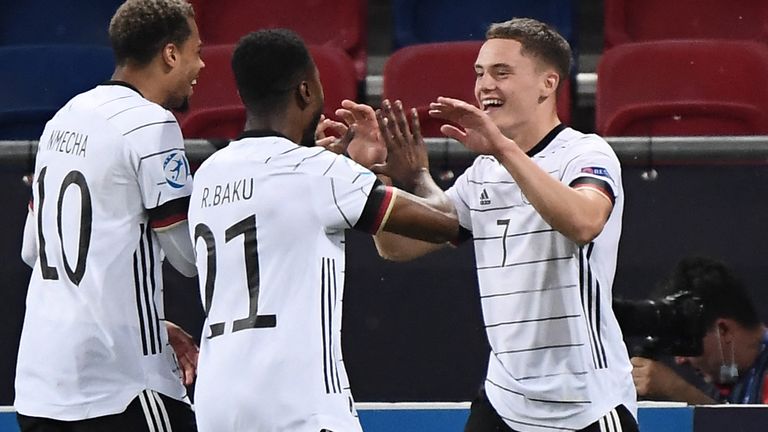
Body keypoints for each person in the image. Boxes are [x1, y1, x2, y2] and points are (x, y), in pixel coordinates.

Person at [343, 17, 638, 432]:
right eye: (480, 73)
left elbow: (584, 222)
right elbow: (398, 247)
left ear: (548, 84)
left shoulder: (585, 153)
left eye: (502, 72)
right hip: (504, 402)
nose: (484, 86)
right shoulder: (484, 171)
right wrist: (375, 174)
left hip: (586, 404)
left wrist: (501, 148)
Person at [185, 29, 458, 432]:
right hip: (298, 406)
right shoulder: (320, 173)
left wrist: (347, 169)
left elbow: (283, 200)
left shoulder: (209, 173)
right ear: (305, 91)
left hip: (216, 403)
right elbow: (446, 223)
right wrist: (415, 173)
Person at [15, 0, 204, 430]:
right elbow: (189, 258)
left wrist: (151, 322)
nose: (201, 65)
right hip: (120, 389)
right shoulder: (152, 125)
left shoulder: (62, 119)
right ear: (170, 54)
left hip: (40, 388)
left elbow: (33, 250)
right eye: (197, 51)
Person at [631, 256, 768, 405]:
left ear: (723, 330)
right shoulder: (727, 380)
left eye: (685, 341)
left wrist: (677, 391)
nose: (680, 360)